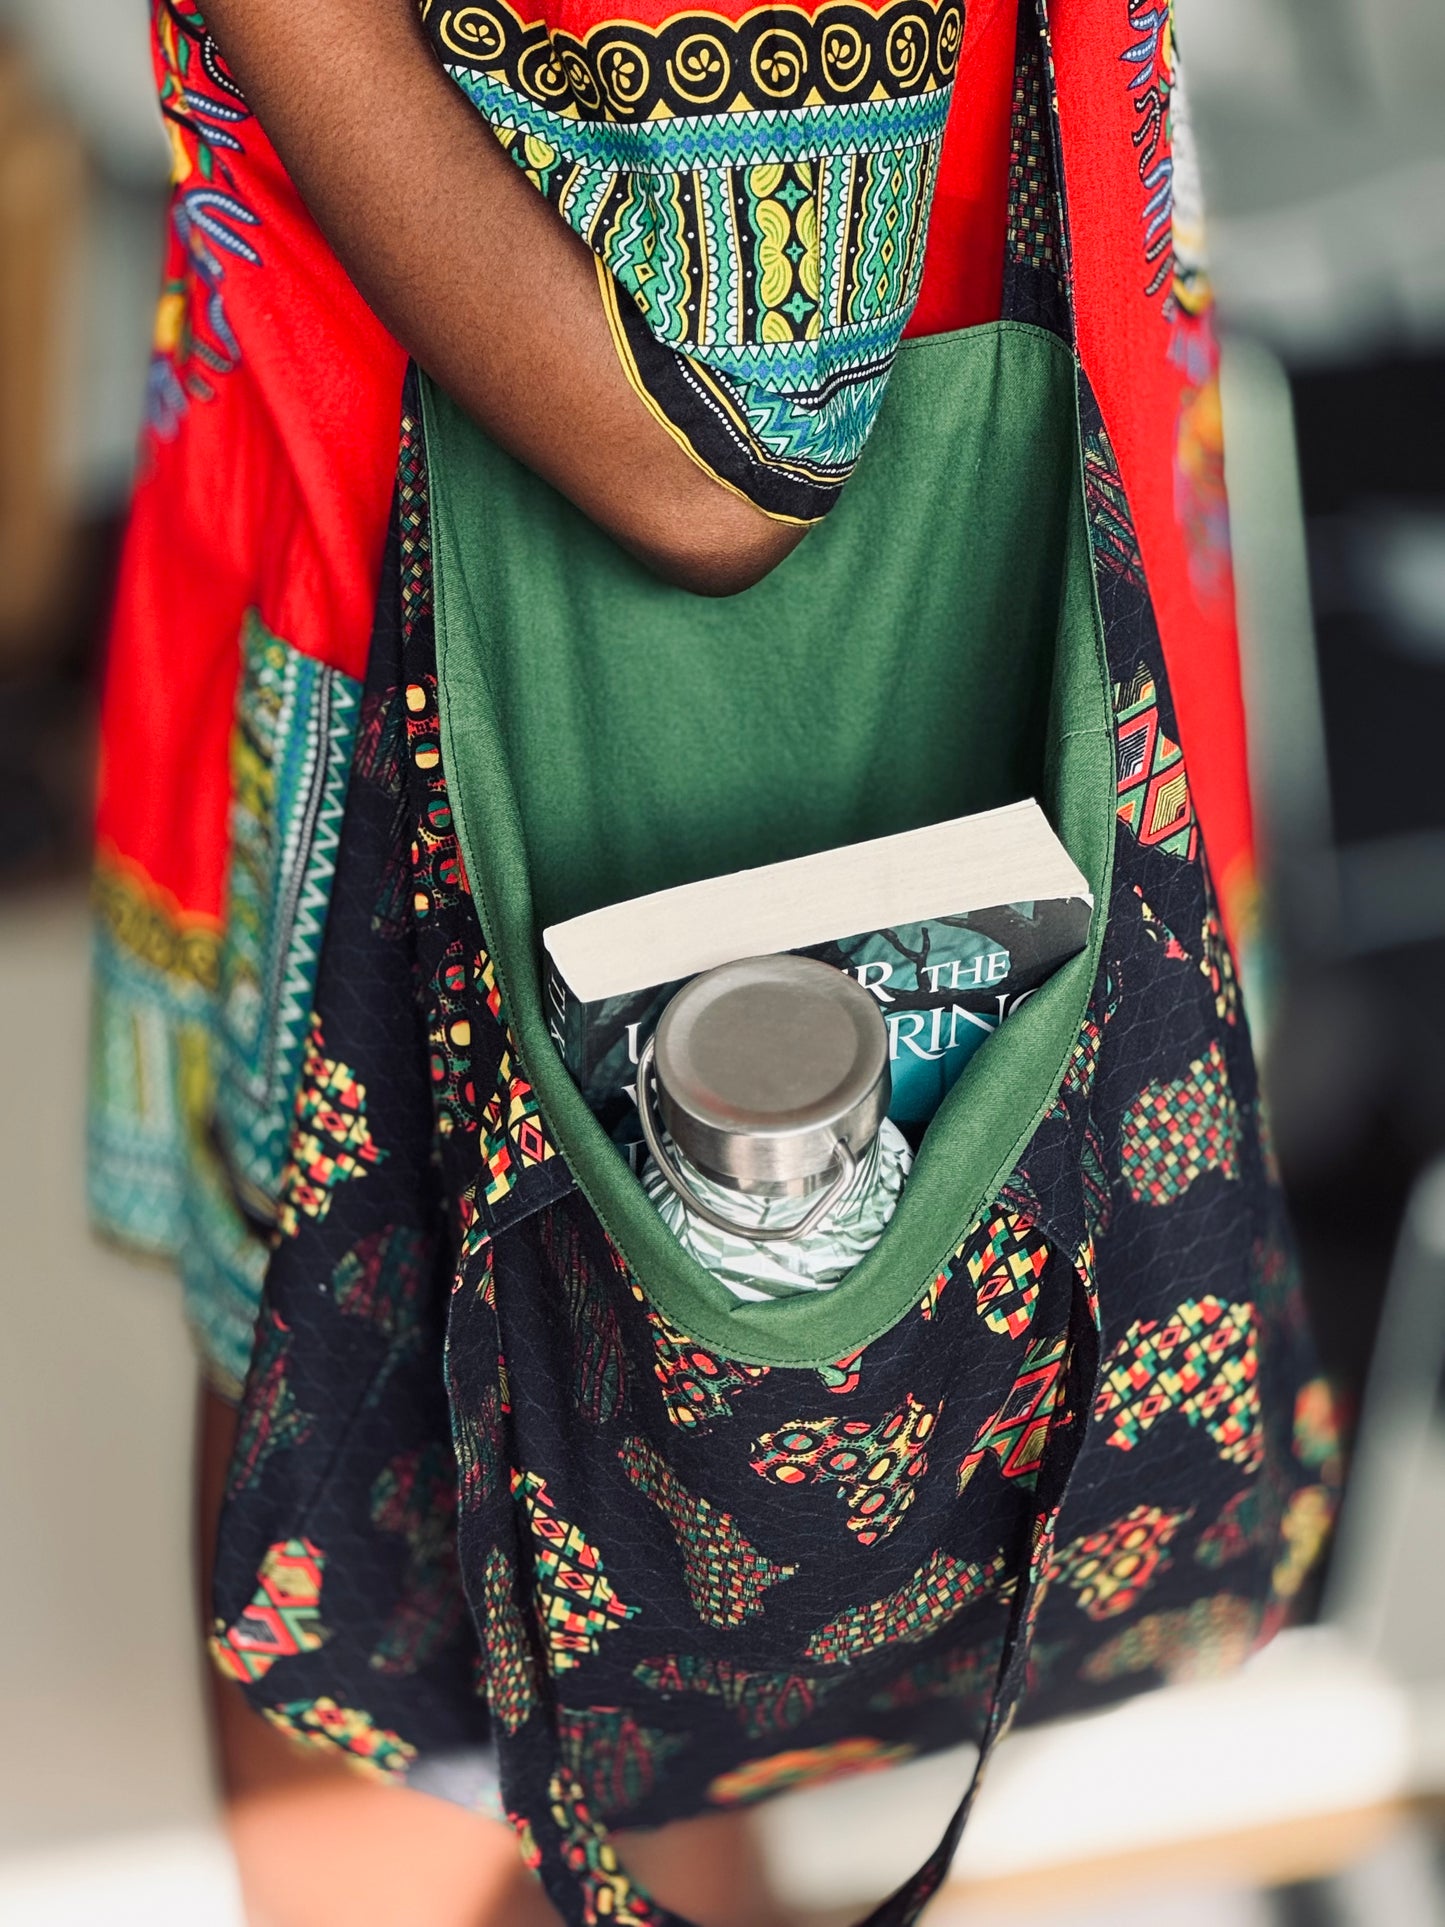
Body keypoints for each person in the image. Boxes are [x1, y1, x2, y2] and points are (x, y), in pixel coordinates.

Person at [93, 1, 1269, 1921]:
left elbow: (721, 455)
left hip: (512, 686)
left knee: (445, 1636)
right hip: (911, 583)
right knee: (654, 1601)